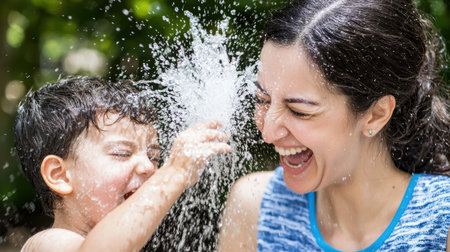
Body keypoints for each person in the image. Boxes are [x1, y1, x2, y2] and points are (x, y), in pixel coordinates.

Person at [218, 0, 450, 251]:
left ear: (376, 114)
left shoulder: (442, 223)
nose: (267, 132)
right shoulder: (255, 207)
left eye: (299, 111)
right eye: (262, 99)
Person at [14, 76, 230, 251]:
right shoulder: (48, 243)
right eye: (122, 153)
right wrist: (175, 171)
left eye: (154, 157)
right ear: (59, 175)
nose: (148, 167)